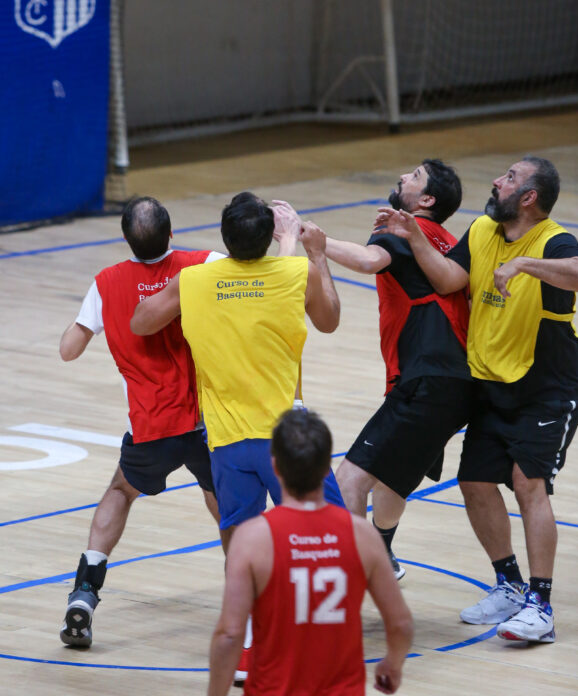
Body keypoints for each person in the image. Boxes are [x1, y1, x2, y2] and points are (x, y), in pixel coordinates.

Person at [131, 191, 341, 680]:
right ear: (269, 236)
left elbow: (141, 322)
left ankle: (250, 645)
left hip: (226, 442)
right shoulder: (296, 273)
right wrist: (311, 252)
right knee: (326, 535)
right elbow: (329, 320)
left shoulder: (194, 280)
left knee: (242, 546)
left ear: (223, 237)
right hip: (287, 442)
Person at [374, 156, 578, 643]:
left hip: (547, 386)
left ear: (529, 197)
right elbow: (450, 279)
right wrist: (415, 236)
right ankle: (509, 585)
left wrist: (524, 264)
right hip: (491, 381)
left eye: (509, 178)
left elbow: (577, 272)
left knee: (528, 484)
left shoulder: (554, 240)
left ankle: (540, 606)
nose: (496, 181)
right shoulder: (484, 230)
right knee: (475, 483)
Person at [276, 159, 472, 581]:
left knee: (349, 480)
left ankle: (350, 576)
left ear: (426, 200)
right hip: (458, 384)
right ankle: (381, 549)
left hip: (425, 377)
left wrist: (314, 241)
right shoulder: (449, 243)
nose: (402, 176)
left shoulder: (401, 230)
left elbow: (368, 260)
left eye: (414, 176)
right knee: (393, 480)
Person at [59, 196, 225, 649]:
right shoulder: (203, 264)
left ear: (126, 239)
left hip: (150, 427)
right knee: (225, 502)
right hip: (206, 421)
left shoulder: (106, 283)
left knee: (120, 491)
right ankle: (249, 598)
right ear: (171, 234)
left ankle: (85, 592)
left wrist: (91, 318)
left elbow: (68, 350)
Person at [208, 408, 414, 696]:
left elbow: (229, 635)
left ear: (275, 466)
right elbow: (401, 624)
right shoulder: (362, 535)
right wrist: (393, 664)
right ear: (326, 467)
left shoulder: (252, 539)